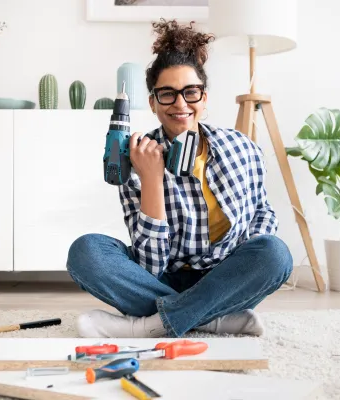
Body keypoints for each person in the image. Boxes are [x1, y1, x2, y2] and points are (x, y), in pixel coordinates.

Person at [66, 19, 293, 339]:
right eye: (167, 94)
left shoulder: (243, 149)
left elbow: (262, 213)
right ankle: (212, 317)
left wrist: (240, 266)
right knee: (85, 252)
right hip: (161, 278)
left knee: (275, 253)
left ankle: (149, 325)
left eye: (191, 92)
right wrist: (152, 179)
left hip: (224, 277)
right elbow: (149, 266)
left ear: (204, 96)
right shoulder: (137, 158)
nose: (181, 104)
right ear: (153, 102)